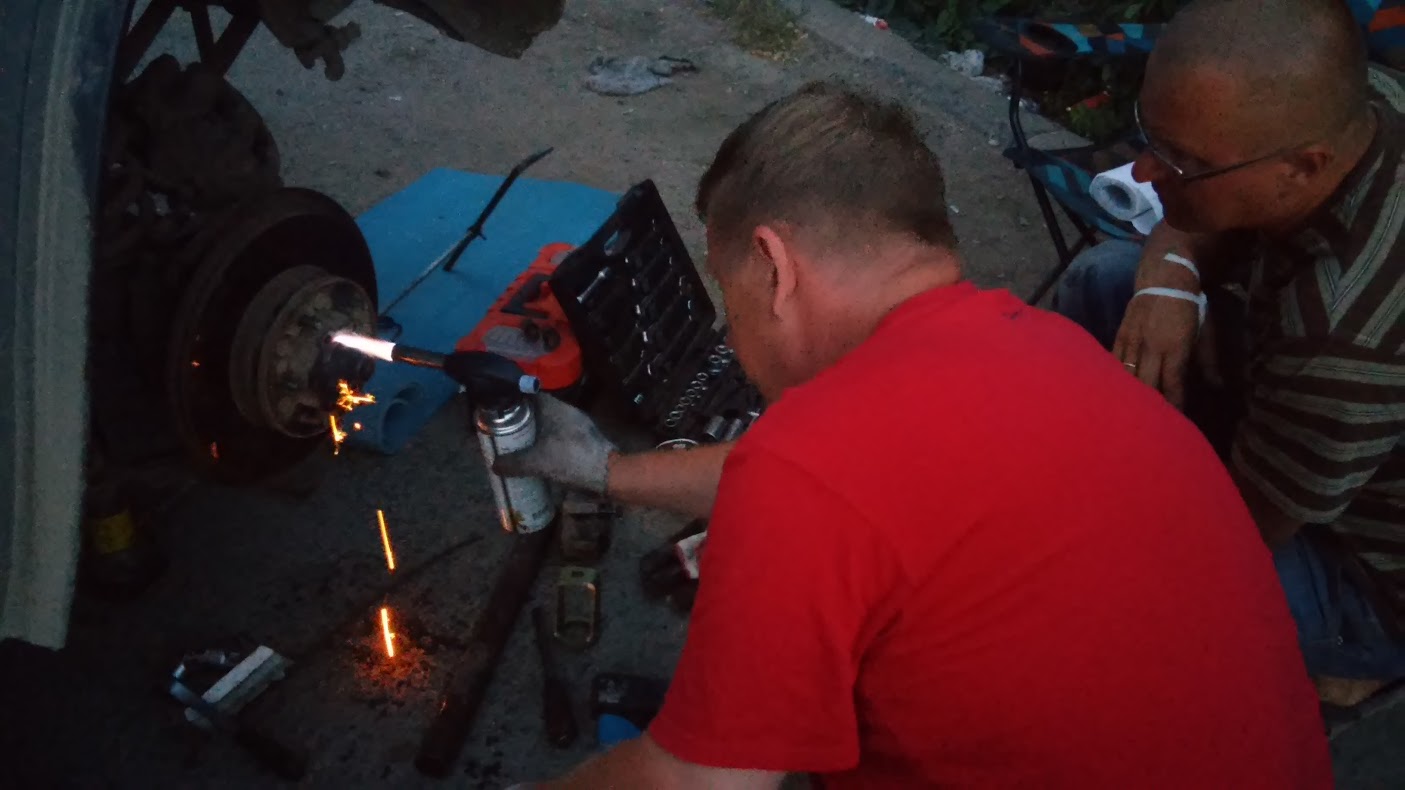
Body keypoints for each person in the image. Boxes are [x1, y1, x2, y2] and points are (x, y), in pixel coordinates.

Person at [500, 80, 1332, 788]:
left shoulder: (812, 467)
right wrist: (607, 472)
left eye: (729, 296)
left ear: (774, 267)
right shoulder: (1053, 349)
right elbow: (844, 480)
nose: (732, 332)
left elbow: (694, 783)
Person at [1055, 0, 1405, 710]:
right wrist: (1173, 273)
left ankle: (1354, 656)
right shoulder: (1360, 101)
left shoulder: (1340, 344)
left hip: (1359, 563)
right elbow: (1182, 220)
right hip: (1307, 425)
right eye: (1150, 137)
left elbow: (1238, 533)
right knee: (1109, 280)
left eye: (1183, 164)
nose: (1144, 172)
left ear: (1302, 167)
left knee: (1113, 574)